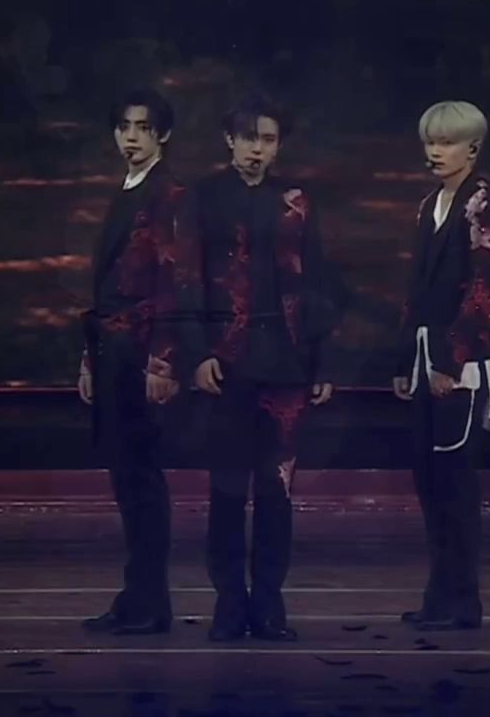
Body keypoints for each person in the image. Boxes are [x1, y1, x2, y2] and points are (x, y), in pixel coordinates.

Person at [189, 96, 339, 643]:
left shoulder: (295, 200)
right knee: (228, 489)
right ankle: (230, 603)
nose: (258, 148)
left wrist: (321, 361)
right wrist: (198, 352)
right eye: (249, 138)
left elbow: (316, 280)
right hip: (227, 364)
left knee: (276, 490)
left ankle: (270, 602)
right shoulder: (202, 198)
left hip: (287, 364)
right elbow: (188, 280)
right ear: (230, 140)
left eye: (268, 139)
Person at [78, 90, 200, 636]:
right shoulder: (127, 190)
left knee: (141, 480)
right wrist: (90, 358)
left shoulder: (169, 194)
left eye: (142, 127)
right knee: (127, 479)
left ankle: (148, 604)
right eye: (123, 127)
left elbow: (176, 282)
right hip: (113, 352)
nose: (131, 137)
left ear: (162, 134)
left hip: (141, 355)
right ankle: (139, 600)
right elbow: (106, 287)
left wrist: (164, 361)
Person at [393, 101, 490, 632]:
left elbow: (484, 291)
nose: (436, 152)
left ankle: (462, 601)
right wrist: (406, 359)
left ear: (473, 148)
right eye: (431, 143)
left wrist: (450, 359)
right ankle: (440, 597)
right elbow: (416, 290)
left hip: (460, 365)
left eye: (447, 142)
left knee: (455, 483)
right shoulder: (430, 205)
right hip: (424, 359)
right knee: (431, 482)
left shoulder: (482, 204)